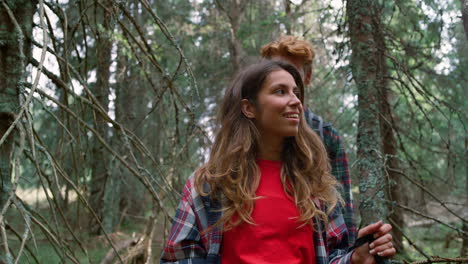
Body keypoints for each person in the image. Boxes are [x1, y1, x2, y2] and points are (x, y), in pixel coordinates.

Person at [160, 60, 395, 264]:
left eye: (296, 93)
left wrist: (356, 259)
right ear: (249, 108)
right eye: (280, 91)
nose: (296, 101)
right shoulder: (210, 185)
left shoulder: (316, 184)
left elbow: (334, 255)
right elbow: (180, 257)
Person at [261, 36, 356, 245]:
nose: (283, 77)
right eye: (275, 69)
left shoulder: (326, 135)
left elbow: (342, 205)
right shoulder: (245, 127)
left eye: (293, 73)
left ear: (308, 76)